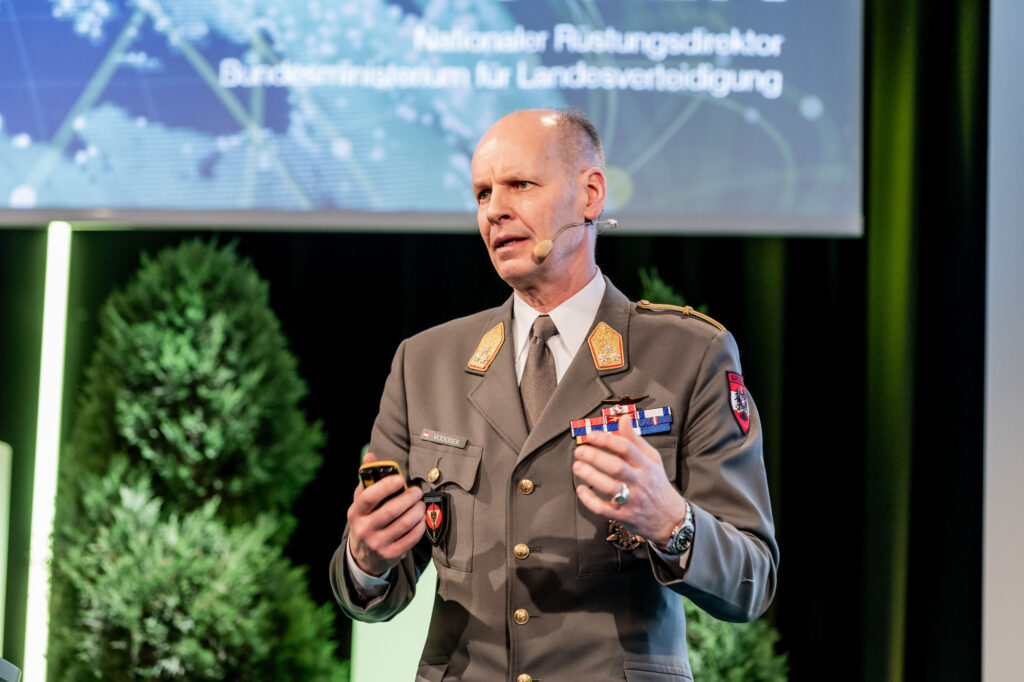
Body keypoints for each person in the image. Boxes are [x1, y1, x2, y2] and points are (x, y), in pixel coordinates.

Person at [330, 109, 778, 682]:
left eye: (520, 185)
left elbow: (752, 581)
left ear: (590, 194)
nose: (495, 210)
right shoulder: (425, 364)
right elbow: (374, 592)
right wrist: (367, 560)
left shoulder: (687, 355)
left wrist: (672, 522)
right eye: (482, 193)